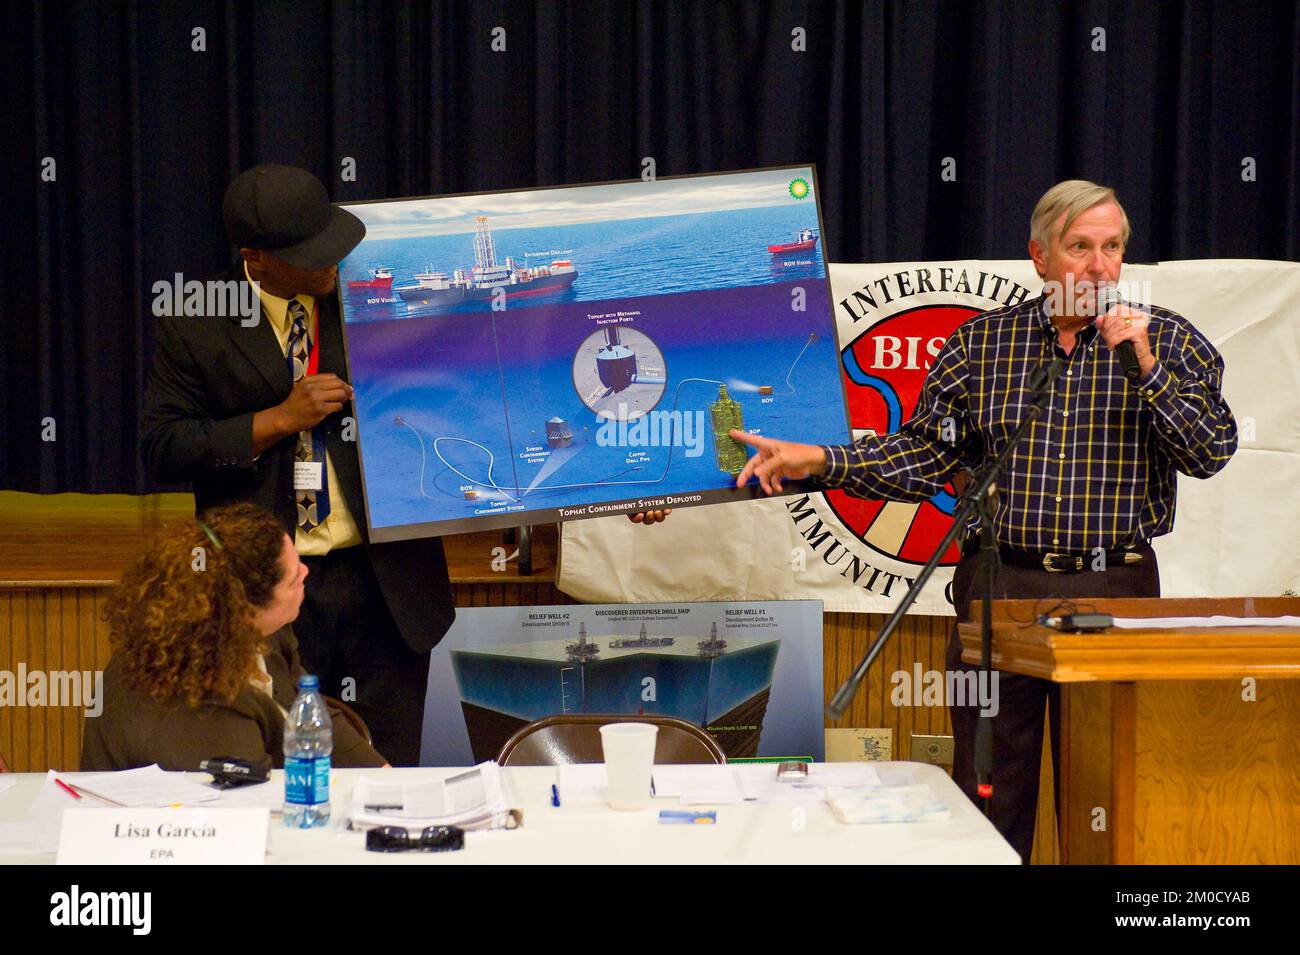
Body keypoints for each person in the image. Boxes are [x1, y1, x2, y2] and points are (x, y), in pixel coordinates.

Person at [727, 179, 1237, 862]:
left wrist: (1143, 366)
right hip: (1001, 589)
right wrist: (818, 458)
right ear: (1039, 255)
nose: (1099, 266)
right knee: (990, 795)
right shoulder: (981, 345)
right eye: (1080, 246)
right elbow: (922, 455)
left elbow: (1211, 451)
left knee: (1110, 801)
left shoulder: (1168, 341)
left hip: (1117, 591)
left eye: (1112, 247)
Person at [141, 164, 669, 765]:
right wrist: (277, 420)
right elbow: (166, 447)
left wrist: (620, 482)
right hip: (270, 594)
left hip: (385, 587)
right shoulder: (195, 323)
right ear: (255, 260)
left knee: (386, 774)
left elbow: (494, 408)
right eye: (311, 257)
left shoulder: (379, 310)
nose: (332, 266)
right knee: (280, 778)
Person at [82, 503, 387, 772]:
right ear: (246, 607)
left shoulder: (265, 634)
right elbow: (247, 805)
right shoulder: (205, 698)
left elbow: (306, 707)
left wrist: (382, 773)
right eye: (293, 578)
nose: (306, 573)